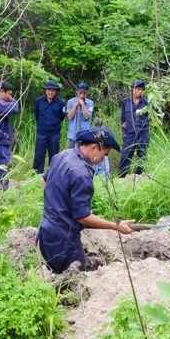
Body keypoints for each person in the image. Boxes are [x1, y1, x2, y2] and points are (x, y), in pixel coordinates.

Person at [37, 127, 135, 273]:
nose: (103, 160)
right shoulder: (81, 173)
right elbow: (82, 216)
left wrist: (55, 205)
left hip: (45, 231)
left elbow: (43, 182)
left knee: (57, 281)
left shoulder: (62, 156)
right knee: (76, 282)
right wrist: (116, 226)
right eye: (105, 154)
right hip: (64, 239)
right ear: (94, 147)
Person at [32, 80, 66, 174]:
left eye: (52, 90)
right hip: (41, 133)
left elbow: (62, 117)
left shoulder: (61, 103)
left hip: (54, 133)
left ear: (56, 92)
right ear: (45, 91)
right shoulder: (39, 101)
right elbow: (36, 115)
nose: (50, 92)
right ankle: (36, 175)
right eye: (48, 90)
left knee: (54, 155)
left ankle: (52, 175)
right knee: (39, 155)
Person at [118, 80, 149, 177]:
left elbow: (149, 117)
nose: (140, 91)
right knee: (126, 153)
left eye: (141, 90)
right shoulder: (125, 101)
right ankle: (122, 176)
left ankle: (138, 175)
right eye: (138, 89)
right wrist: (124, 129)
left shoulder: (146, 102)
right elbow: (123, 117)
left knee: (142, 154)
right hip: (130, 132)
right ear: (133, 89)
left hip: (142, 131)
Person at [66, 83, 94, 148]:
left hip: (85, 135)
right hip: (73, 135)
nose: (81, 95)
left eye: (84, 93)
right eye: (80, 93)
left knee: (84, 156)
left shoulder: (90, 103)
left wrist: (83, 105)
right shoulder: (70, 102)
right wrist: (75, 105)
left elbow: (87, 117)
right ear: (76, 91)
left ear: (87, 93)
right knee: (71, 155)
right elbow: (70, 117)